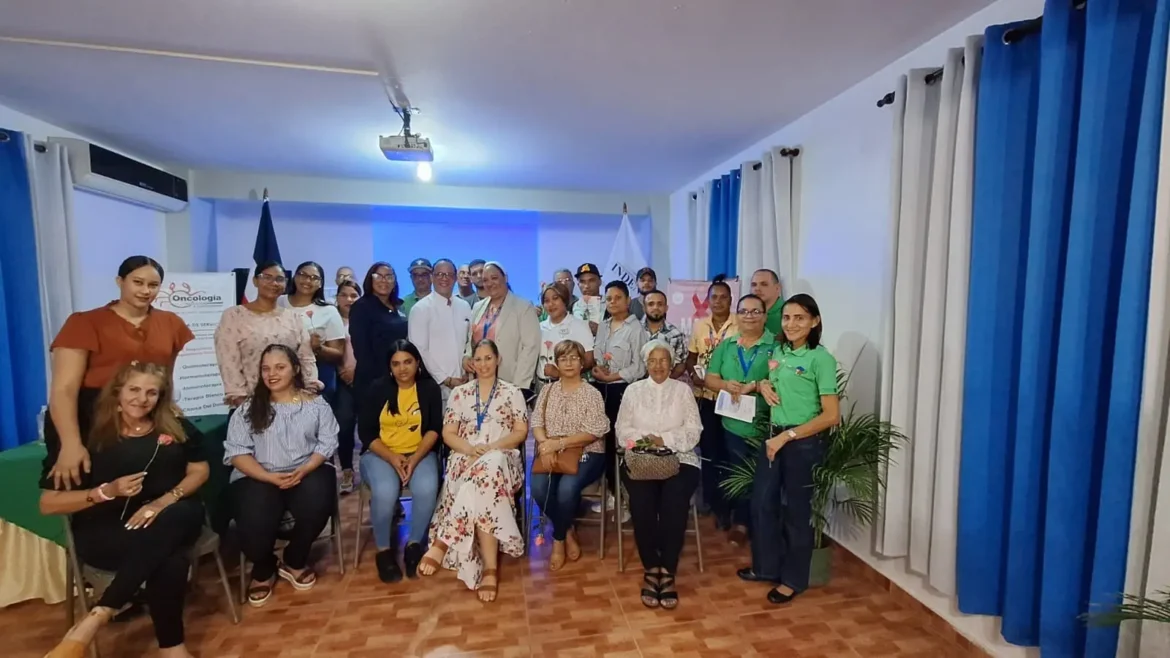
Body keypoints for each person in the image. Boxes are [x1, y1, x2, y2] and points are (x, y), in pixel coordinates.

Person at [40, 362, 209, 658]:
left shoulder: (176, 427)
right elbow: (48, 503)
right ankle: (173, 650)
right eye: (134, 389)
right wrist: (106, 492)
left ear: (161, 397)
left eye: (151, 393)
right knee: (170, 558)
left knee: (179, 514)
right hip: (108, 531)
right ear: (117, 391)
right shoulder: (86, 437)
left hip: (170, 515)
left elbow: (199, 470)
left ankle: (97, 617)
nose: (142, 399)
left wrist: (163, 501)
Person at [44, 255, 194, 491]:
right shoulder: (85, 322)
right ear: (120, 281)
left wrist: (167, 405)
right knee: (85, 487)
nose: (145, 291)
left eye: (153, 285)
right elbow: (64, 389)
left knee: (154, 481)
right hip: (91, 416)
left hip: (145, 414)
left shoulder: (171, 323)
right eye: (138, 282)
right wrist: (70, 443)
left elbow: (165, 376)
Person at [742, 294, 840, 605]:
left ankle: (793, 580)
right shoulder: (779, 351)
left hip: (802, 443)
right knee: (762, 504)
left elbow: (831, 415)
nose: (791, 324)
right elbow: (771, 381)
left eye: (800, 318)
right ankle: (766, 567)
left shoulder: (820, 359)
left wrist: (788, 437)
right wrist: (763, 385)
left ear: (815, 321)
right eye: (787, 317)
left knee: (797, 513)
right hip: (774, 437)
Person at [224, 345, 339, 607]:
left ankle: (294, 559)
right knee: (253, 516)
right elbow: (238, 453)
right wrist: (268, 477)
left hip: (305, 469)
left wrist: (306, 468)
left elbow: (327, 442)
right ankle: (264, 568)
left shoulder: (315, 405)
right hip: (258, 474)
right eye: (266, 369)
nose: (271, 374)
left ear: (295, 369)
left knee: (318, 499)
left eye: (279, 367)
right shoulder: (248, 409)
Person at [419, 340, 528, 602]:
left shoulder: (512, 392)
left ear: (498, 359)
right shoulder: (460, 393)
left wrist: (491, 448)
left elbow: (520, 432)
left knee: (491, 466)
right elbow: (448, 434)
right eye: (478, 359)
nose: (483, 364)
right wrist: (470, 449)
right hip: (465, 456)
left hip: (502, 456)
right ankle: (490, 568)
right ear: (471, 363)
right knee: (481, 482)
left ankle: (443, 541)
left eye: (488, 358)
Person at [615, 340, 702, 611]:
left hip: (681, 458)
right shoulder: (633, 391)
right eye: (652, 360)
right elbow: (622, 430)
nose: (658, 366)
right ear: (645, 363)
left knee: (674, 501)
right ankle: (652, 567)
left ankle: (668, 569)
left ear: (672, 362)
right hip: (641, 459)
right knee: (642, 502)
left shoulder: (683, 391)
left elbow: (694, 431)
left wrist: (664, 439)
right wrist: (647, 442)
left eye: (663, 360)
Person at [357, 340, 443, 583]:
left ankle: (414, 545)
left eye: (407, 362)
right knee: (386, 490)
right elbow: (367, 434)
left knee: (427, 488)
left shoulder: (429, 388)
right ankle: (384, 551)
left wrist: (414, 459)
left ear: (417, 363)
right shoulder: (376, 389)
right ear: (389, 367)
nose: (402, 368)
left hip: (420, 452)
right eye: (396, 364)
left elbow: (434, 428)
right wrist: (393, 458)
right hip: (380, 454)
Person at [529, 340, 610, 571]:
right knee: (538, 488)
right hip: (551, 450)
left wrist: (559, 443)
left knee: (567, 488)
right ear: (556, 363)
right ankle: (568, 529)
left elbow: (594, 431)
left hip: (587, 452)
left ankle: (558, 540)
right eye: (563, 358)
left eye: (574, 358)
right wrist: (545, 445)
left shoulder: (592, 393)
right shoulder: (547, 391)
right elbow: (537, 422)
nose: (569, 363)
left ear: (582, 362)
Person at [703, 294, 776, 546]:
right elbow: (710, 378)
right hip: (732, 423)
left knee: (761, 477)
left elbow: (781, 383)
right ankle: (741, 522)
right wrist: (726, 384)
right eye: (744, 311)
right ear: (737, 316)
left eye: (756, 311)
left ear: (765, 316)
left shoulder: (776, 347)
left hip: (765, 424)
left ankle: (755, 523)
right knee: (738, 472)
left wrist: (754, 385)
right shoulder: (727, 346)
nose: (749, 316)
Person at [214, 261, 320, 408]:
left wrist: (309, 390)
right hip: (250, 402)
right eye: (267, 277)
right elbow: (228, 362)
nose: (274, 283)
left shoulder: (293, 318)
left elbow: (306, 357)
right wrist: (242, 403)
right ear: (255, 281)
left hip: (291, 403)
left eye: (279, 279)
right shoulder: (234, 316)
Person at [684, 277, 738, 520]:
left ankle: (728, 505)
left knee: (729, 451)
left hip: (731, 398)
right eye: (714, 297)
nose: (718, 301)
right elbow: (691, 358)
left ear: (731, 299)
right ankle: (710, 501)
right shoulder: (699, 326)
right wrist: (694, 376)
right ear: (707, 300)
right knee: (708, 451)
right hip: (705, 398)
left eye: (723, 297)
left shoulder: (740, 325)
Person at [591, 280, 647, 502]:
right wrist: (597, 370)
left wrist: (611, 377)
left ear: (628, 300)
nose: (612, 302)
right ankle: (608, 489)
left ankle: (623, 493)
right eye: (609, 299)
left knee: (620, 441)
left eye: (617, 298)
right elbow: (597, 355)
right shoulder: (603, 326)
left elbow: (639, 367)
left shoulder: (636, 329)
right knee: (602, 441)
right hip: (600, 389)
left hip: (622, 391)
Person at [462, 262, 541, 395]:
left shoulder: (523, 307)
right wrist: (467, 357)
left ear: (505, 278)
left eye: (494, 278)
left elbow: (531, 348)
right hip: (479, 380)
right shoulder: (477, 308)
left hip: (510, 382)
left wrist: (519, 386)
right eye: (485, 280)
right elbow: (471, 341)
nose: (490, 283)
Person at [409, 258, 473, 400]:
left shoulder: (464, 306)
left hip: (464, 383)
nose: (444, 278)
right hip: (435, 386)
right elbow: (420, 349)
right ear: (432, 277)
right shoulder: (420, 309)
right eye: (439, 274)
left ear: (455, 278)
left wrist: (467, 363)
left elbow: (470, 340)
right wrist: (446, 379)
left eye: (449, 274)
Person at [349, 262, 409, 396]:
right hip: (374, 380)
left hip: (400, 375)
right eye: (379, 276)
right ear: (370, 279)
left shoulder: (398, 305)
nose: (384, 280)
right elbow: (361, 350)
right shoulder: (361, 307)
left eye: (389, 277)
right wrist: (383, 378)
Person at [537, 282, 595, 390]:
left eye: (555, 298)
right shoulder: (539, 327)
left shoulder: (579, 325)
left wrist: (560, 374)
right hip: (541, 386)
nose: (551, 304)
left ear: (565, 300)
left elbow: (589, 361)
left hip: (570, 386)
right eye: (546, 301)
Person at [334, 280, 362, 492]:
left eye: (353, 295)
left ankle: (371, 473)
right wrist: (342, 372)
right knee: (344, 426)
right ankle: (347, 470)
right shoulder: (332, 320)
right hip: (340, 382)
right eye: (344, 295)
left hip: (364, 379)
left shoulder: (365, 320)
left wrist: (357, 371)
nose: (349, 299)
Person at [641, 289, 687, 378]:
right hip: (637, 384)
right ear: (644, 308)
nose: (655, 307)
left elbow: (681, 364)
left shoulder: (676, 334)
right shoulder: (634, 330)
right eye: (651, 304)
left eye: (660, 304)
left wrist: (665, 382)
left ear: (666, 308)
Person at [571, 263, 604, 335]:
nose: (587, 286)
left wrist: (601, 331)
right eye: (582, 282)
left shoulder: (610, 303)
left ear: (600, 282)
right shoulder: (575, 306)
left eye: (591, 281)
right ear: (578, 284)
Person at [750, 269, 784, 335]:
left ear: (777, 288)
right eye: (754, 285)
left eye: (764, 284)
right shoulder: (746, 313)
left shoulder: (788, 312)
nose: (757, 289)